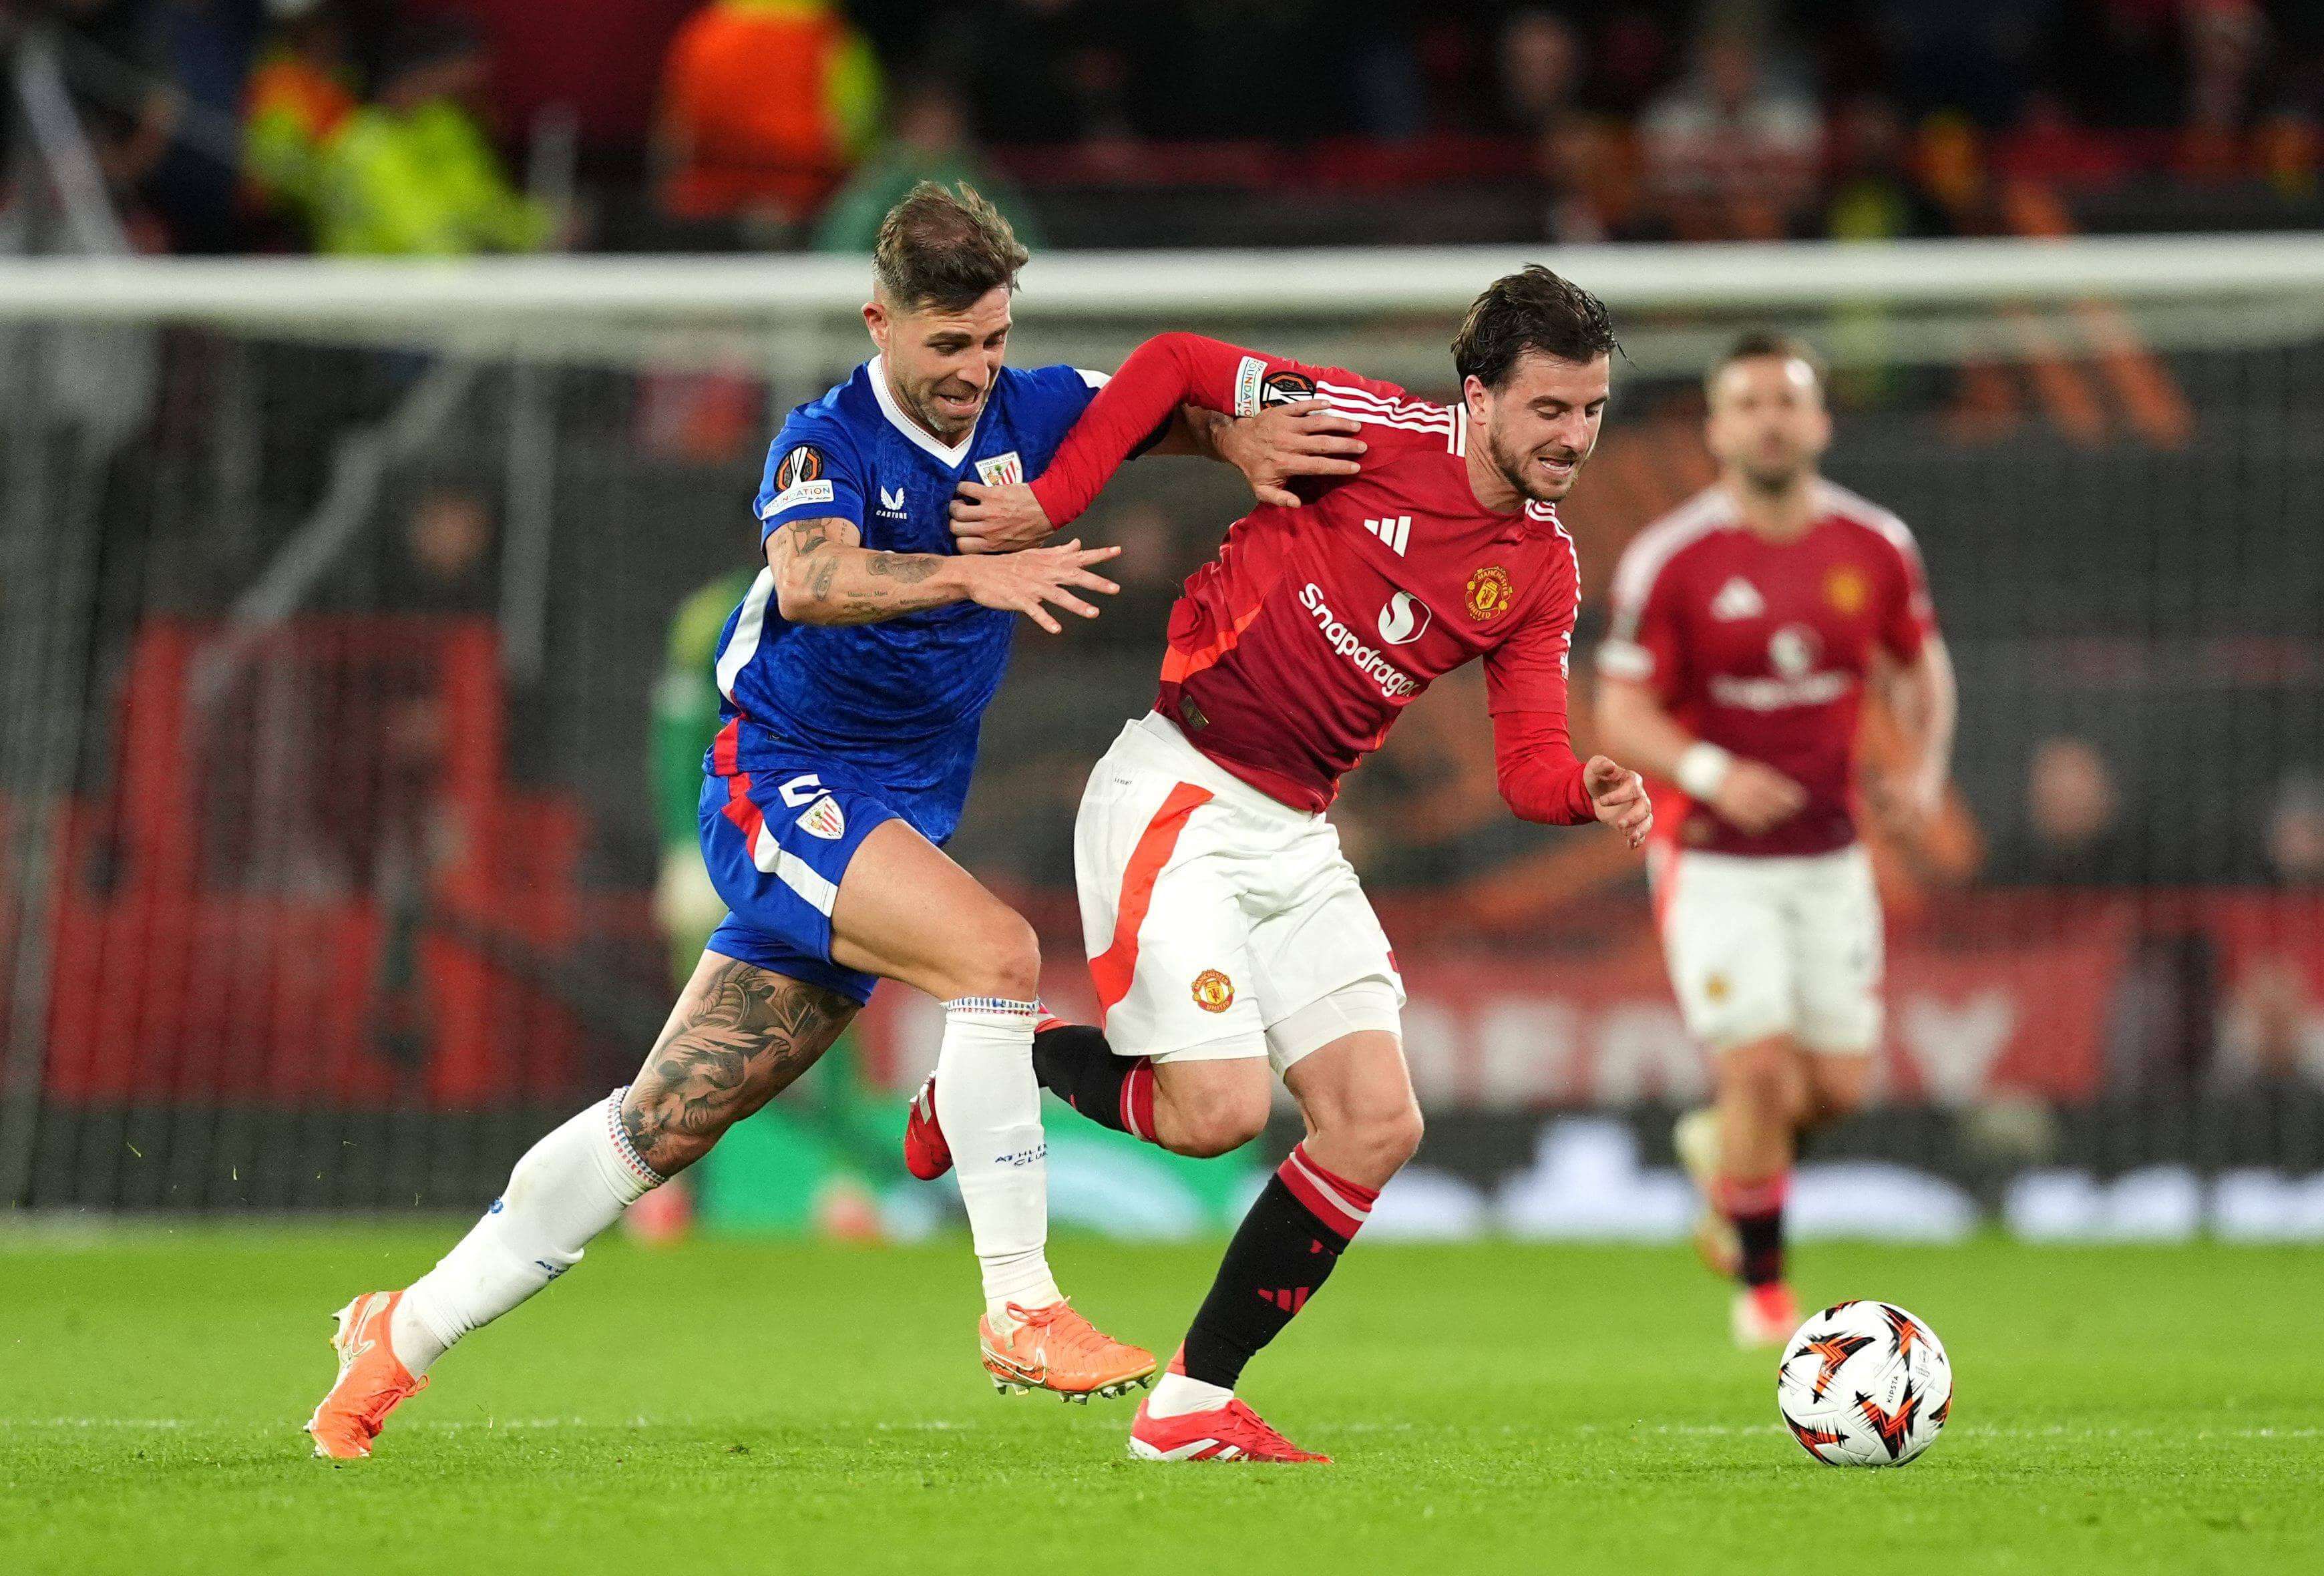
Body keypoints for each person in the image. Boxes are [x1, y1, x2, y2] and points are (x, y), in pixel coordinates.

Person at [304, 182, 1350, 1457]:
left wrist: (1234, 444)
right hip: (781, 782)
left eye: (994, 340)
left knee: (665, 1119)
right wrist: (981, 569)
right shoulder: (825, 441)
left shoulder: (1029, 407)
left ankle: (399, 1333)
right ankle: (1023, 1305)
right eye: (947, 345)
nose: (975, 371)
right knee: (999, 958)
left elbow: (1160, 410)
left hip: (886, 814)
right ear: (880, 323)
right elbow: (810, 580)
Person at [920, 266, 1654, 1462]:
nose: (1574, 438)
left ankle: (1191, 1404)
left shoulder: (1543, 569)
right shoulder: (1368, 427)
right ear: (1479, 398)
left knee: (1375, 1124)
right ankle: (1009, 1072)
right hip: (1179, 790)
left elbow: (1527, 766)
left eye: (1592, 412)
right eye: (1550, 411)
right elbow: (1169, 360)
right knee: (1218, 1118)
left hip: (1296, 834)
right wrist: (1051, 497)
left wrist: (1586, 790)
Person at [1593, 333, 1957, 1348]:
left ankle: (1727, 1158)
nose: (1768, 419)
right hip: (1710, 858)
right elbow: (1621, 712)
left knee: (1833, 1088)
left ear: (1820, 421)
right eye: (1747, 403)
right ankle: (1764, 1291)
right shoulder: (1675, 557)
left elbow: (1920, 666)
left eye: (1786, 401)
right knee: (1755, 1066)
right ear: (1716, 428)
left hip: (1831, 854)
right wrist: (1711, 772)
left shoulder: (1874, 545)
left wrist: (1922, 769)